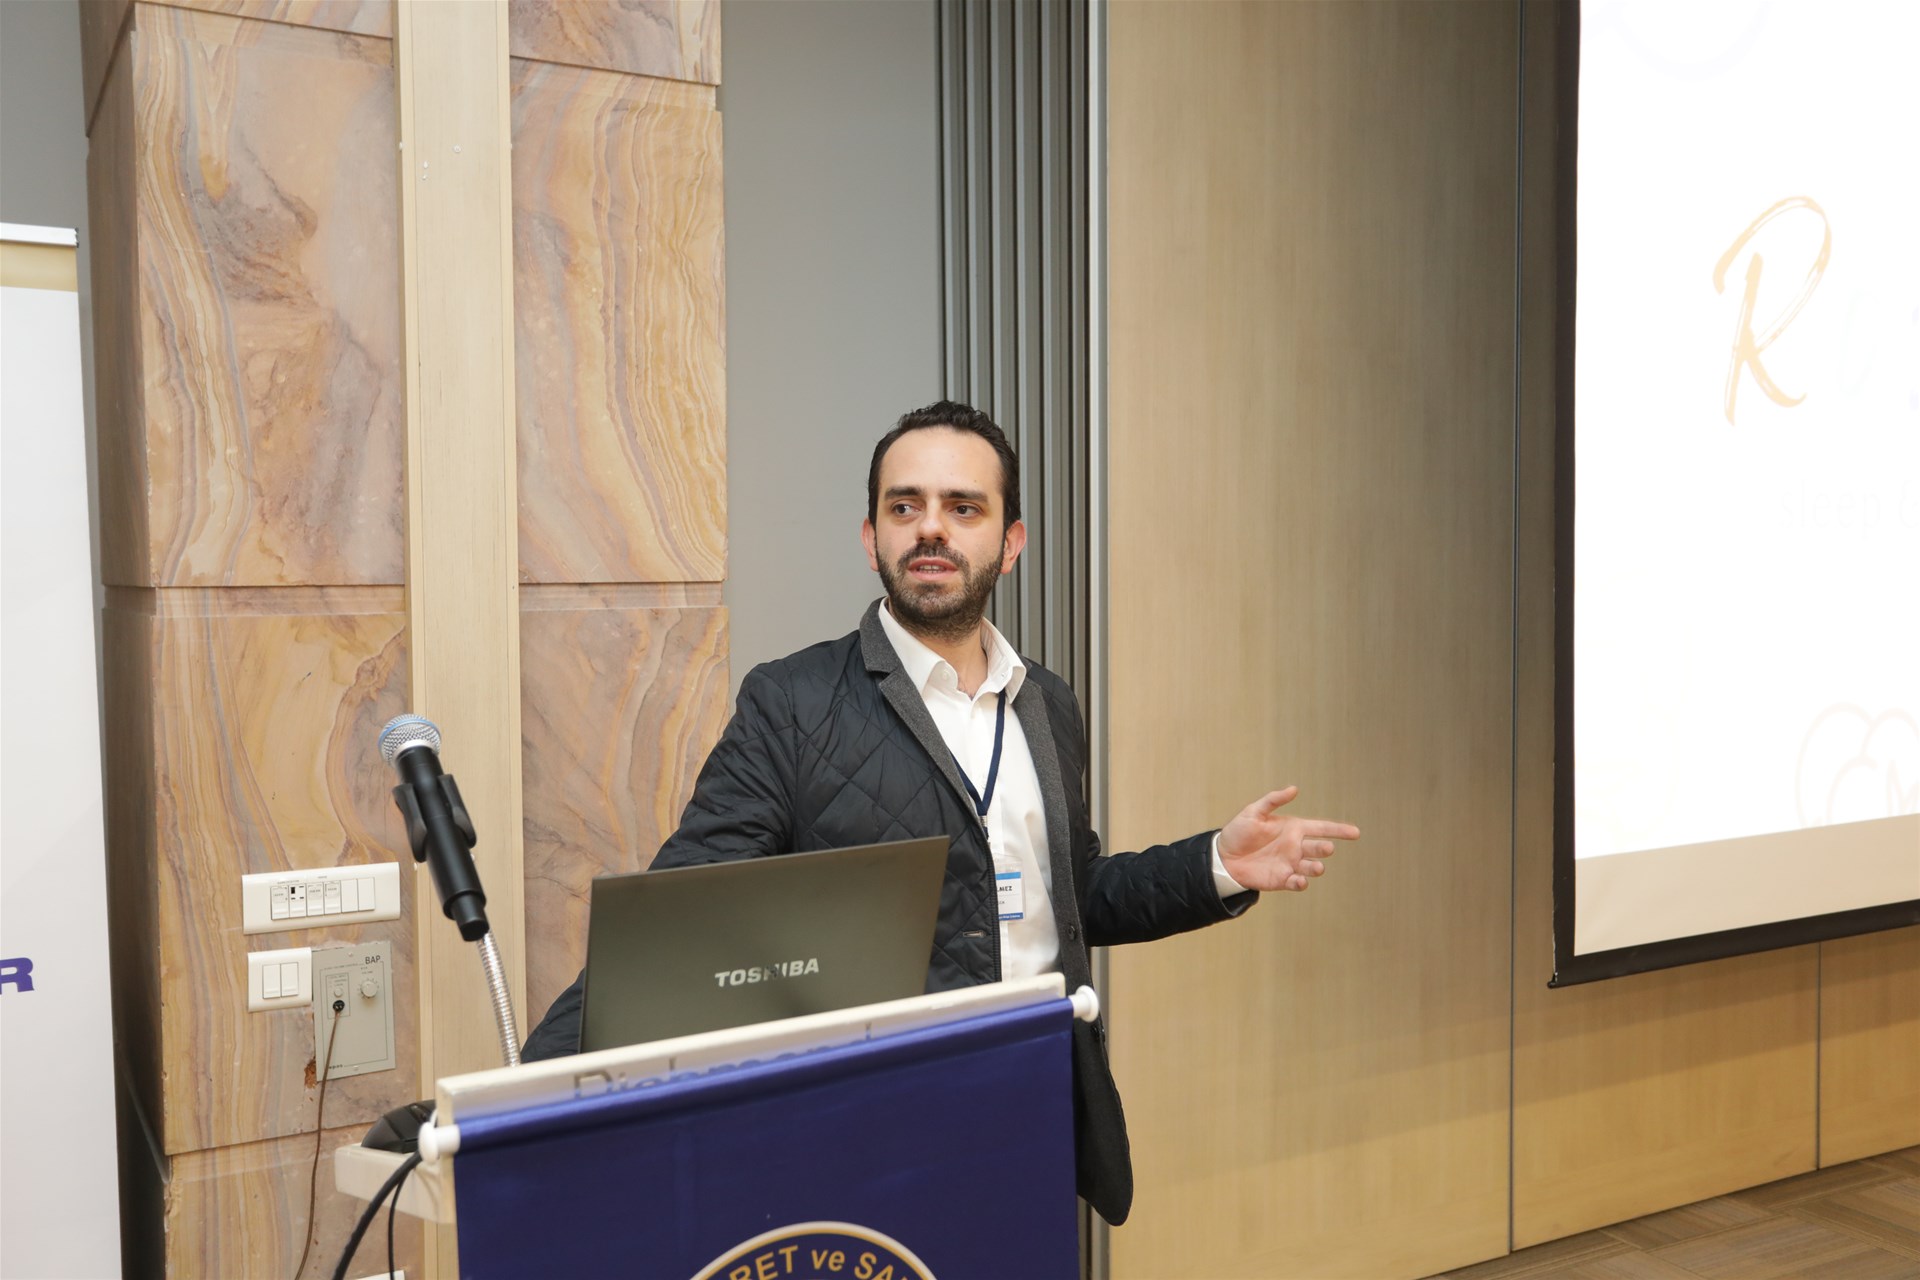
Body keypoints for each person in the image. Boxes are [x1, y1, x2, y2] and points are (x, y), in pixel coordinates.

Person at [522, 400, 1360, 1225]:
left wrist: (1217, 864)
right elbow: (682, 921)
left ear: (1010, 543)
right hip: (873, 1140)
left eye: (964, 507)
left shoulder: (1047, 704)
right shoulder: (791, 704)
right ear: (871, 538)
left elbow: (1072, 897)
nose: (931, 528)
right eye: (905, 507)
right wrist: (530, 1092)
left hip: (1037, 1112)